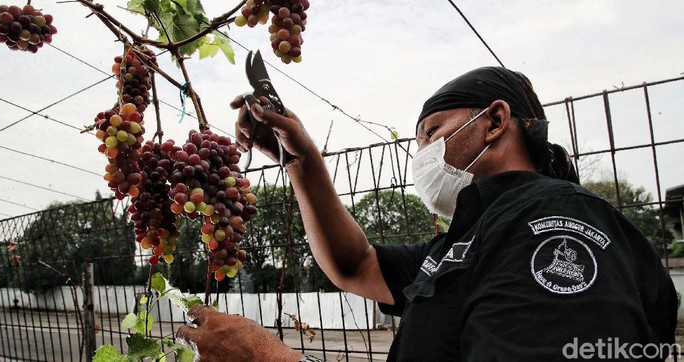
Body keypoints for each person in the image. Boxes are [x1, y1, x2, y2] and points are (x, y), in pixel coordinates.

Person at [176, 67, 678, 361]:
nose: (424, 156)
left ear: (495, 122)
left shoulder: (554, 220)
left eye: (432, 133)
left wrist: (271, 358)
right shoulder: (470, 239)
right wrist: (301, 159)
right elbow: (356, 266)